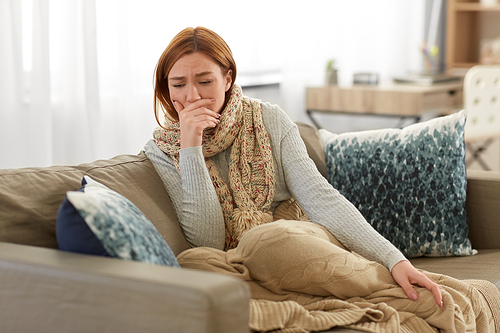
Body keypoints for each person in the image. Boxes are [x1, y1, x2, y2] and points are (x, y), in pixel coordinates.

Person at [144, 26, 443, 308]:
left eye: (205, 81)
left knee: (269, 240)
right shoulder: (163, 149)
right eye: (178, 84)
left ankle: (385, 285)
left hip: (298, 245)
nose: (191, 96)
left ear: (228, 78)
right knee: (198, 261)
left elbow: (320, 198)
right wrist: (190, 146)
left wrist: (394, 259)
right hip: (238, 265)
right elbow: (208, 240)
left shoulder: (270, 119)